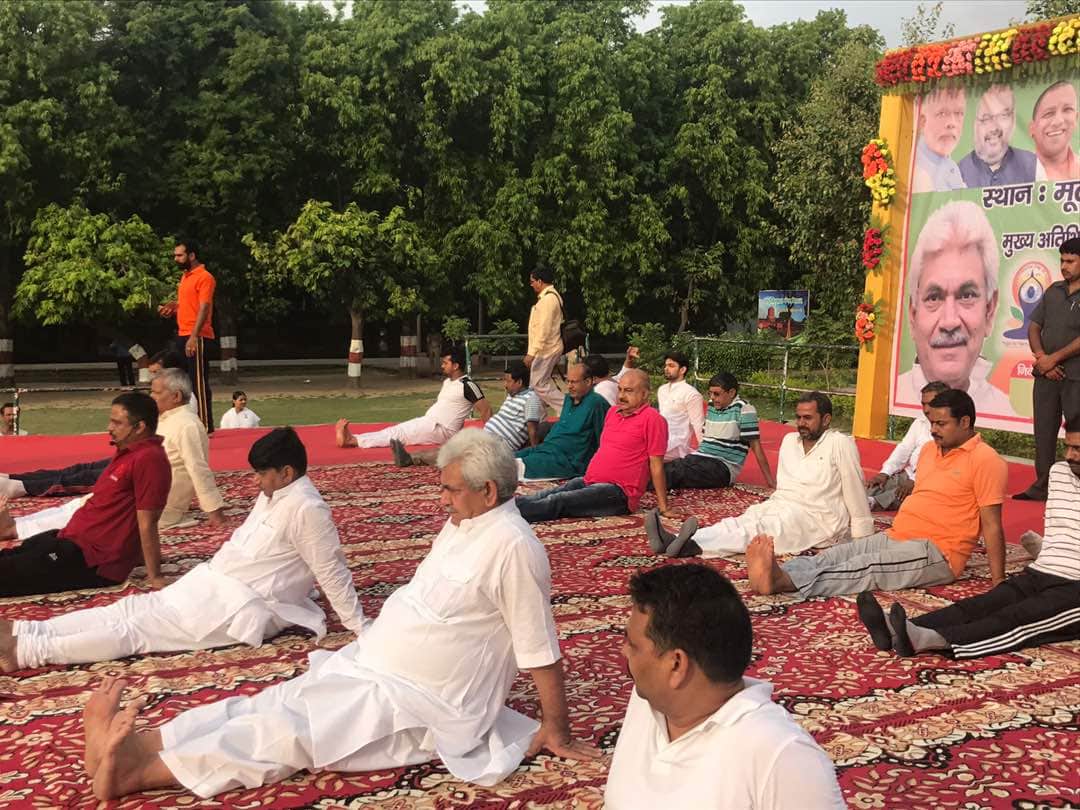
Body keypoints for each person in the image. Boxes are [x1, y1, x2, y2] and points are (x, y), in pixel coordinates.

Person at [81, 429, 599, 801]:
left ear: (488, 491)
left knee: (289, 733)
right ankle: (145, 744)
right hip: (373, 664)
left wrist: (558, 730)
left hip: (419, 702)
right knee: (266, 703)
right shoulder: (465, 524)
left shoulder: (514, 547)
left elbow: (539, 648)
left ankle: (139, 772)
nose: (440, 498)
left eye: (449, 488)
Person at [0, 428, 364, 672]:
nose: (255, 481)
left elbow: (331, 568)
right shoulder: (276, 493)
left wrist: (360, 626)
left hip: (236, 606)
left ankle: (28, 653)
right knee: (130, 608)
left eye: (261, 474)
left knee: (136, 632)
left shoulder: (308, 509)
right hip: (212, 581)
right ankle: (28, 631)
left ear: (286, 472)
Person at [605, 564, 845, 809]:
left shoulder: (782, 757)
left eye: (633, 645)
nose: (624, 651)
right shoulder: (649, 700)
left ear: (676, 665)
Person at [744, 389, 1008, 600]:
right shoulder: (929, 450)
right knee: (841, 553)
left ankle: (784, 582)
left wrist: (998, 582)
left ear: (965, 422)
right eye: (931, 423)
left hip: (938, 552)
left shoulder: (986, 460)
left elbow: (993, 525)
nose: (933, 429)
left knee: (868, 567)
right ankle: (780, 571)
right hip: (896, 535)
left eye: (941, 423)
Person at [857, 423, 1080, 659]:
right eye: (1067, 447)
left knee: (1020, 617)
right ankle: (899, 629)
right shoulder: (1059, 473)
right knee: (984, 603)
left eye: (1077, 449)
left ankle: (933, 640)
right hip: (1043, 570)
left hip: (1075, 586)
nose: (1069, 455)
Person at [647, 392, 871, 559]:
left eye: (808, 418)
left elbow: (855, 489)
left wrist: (862, 538)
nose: (801, 423)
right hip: (783, 504)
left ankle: (692, 545)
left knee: (756, 532)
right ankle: (677, 539)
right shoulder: (789, 442)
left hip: (817, 518)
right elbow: (784, 487)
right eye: (798, 417)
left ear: (826, 419)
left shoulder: (839, 443)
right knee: (742, 521)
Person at [0, 393, 170, 598]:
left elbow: (147, 522)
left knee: (8, 574)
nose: (110, 428)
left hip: (92, 560)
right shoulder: (129, 452)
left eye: (117, 423)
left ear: (140, 427)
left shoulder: (149, 460)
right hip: (72, 541)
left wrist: (155, 575)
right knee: (19, 552)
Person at [896, 200, 1012, 412]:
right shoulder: (903, 402)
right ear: (912, 316)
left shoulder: (1005, 407)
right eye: (934, 298)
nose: (950, 322)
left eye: (966, 295)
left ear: (989, 310)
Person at [515, 369, 671, 523]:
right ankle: (502, 509)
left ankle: (508, 518)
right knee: (546, 494)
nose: (621, 396)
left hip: (619, 491)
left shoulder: (653, 419)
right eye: (620, 390)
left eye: (629, 391)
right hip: (590, 480)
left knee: (558, 500)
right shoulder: (613, 413)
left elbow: (656, 466)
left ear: (644, 394)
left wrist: (663, 507)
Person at [1017, 236, 1080, 501]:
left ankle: (1075, 490)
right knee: (1043, 431)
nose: (1064, 266)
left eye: (1070, 261)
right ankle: (1042, 486)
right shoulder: (1053, 290)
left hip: (1075, 375)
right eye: (1062, 260)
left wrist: (1054, 359)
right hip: (1046, 375)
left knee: (1077, 432)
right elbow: (1033, 327)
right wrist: (1043, 357)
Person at [335, 345, 491, 449]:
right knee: (397, 430)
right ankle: (354, 438)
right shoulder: (448, 382)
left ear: (456, 365)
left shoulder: (468, 385)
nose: (442, 365)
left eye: (445, 363)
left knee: (399, 435)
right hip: (431, 423)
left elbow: (486, 410)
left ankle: (353, 440)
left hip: (442, 430)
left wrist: (491, 440)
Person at [392, 360, 542, 465]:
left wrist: (535, 453)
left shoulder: (531, 399)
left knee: (458, 453)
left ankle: (411, 459)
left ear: (520, 382)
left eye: (508, 381)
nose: (505, 385)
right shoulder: (513, 395)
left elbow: (532, 428)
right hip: (489, 436)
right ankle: (412, 457)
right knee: (454, 447)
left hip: (497, 445)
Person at [661, 372, 775, 492]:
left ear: (731, 393)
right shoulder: (712, 406)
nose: (712, 397)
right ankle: (643, 480)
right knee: (666, 467)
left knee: (677, 472)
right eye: (710, 393)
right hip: (700, 458)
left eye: (717, 394)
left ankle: (642, 485)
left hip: (723, 466)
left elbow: (756, 446)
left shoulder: (744, 409)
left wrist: (769, 480)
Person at [151, 369, 226, 529]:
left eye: (156, 393)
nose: (152, 397)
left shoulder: (187, 425)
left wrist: (214, 511)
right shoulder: (167, 419)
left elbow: (198, 468)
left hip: (157, 506)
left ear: (176, 396)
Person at [158, 239, 216, 432]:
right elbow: (188, 304)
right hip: (183, 333)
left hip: (197, 336)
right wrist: (173, 307)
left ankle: (206, 425)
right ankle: (181, 421)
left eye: (179, 255)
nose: (176, 259)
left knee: (197, 381)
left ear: (191, 255)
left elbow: (204, 307)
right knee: (177, 379)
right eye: (175, 255)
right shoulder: (185, 277)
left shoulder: (204, 277)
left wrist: (194, 336)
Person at [515, 363, 609, 481]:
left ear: (588, 382)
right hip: (546, 449)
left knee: (514, 468)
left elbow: (605, 439)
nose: (569, 386)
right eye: (568, 381)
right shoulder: (568, 400)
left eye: (574, 382)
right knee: (505, 458)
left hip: (566, 460)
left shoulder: (597, 403)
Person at [866, 381, 950, 510]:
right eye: (923, 404)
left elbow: (942, 462)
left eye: (931, 404)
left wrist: (915, 480)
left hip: (931, 480)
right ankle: (864, 500)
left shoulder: (950, 427)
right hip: (909, 473)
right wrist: (885, 473)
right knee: (873, 487)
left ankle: (873, 503)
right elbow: (904, 449)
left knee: (905, 494)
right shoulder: (919, 422)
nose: (926, 409)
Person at [957, 84, 1037, 188]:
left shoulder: (1032, 165)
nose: (994, 127)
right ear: (975, 125)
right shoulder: (958, 173)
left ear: (1013, 121)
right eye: (986, 118)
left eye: (1003, 116)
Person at [524, 265, 565, 416]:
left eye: (532, 281)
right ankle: (538, 418)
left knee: (538, 384)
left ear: (540, 281)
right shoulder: (547, 298)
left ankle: (566, 407)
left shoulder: (548, 300)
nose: (531, 284)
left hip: (547, 349)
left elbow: (544, 329)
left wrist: (532, 353)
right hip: (546, 348)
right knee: (536, 387)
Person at [912, 86, 967, 193]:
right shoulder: (916, 169)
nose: (952, 123)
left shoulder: (951, 166)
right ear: (922, 121)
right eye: (942, 113)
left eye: (958, 113)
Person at [655, 352, 705, 461]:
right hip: (659, 439)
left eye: (671, 366)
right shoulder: (661, 390)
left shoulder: (692, 394)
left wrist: (707, 455)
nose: (666, 369)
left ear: (682, 370)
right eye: (666, 365)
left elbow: (698, 425)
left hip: (677, 446)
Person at [1031, 81, 1079, 182]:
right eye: (1048, 113)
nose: (1058, 121)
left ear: (1076, 118)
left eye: (1067, 110)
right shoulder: (1011, 176)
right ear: (1032, 128)